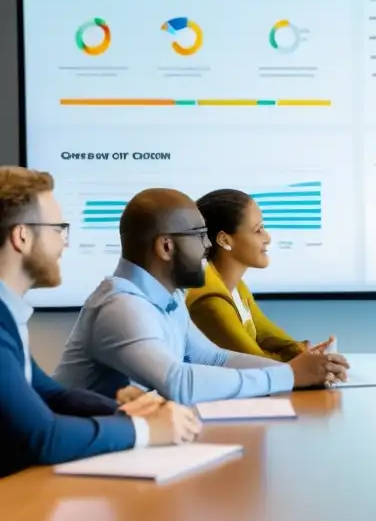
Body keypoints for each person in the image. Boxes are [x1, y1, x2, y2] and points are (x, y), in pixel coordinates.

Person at [53, 188, 349, 405]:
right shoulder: (122, 306)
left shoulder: (169, 299)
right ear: (166, 247)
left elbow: (214, 358)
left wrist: (298, 372)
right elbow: (177, 382)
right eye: (198, 236)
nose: (207, 245)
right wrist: (289, 376)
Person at [0, 168, 200, 478]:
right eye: (58, 229)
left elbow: (51, 395)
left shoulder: (8, 315)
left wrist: (126, 410)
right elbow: (42, 437)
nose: (64, 243)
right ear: (22, 236)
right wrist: (142, 429)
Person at [186, 189, 334, 360]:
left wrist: (307, 353)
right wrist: (308, 363)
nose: (268, 237)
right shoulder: (209, 300)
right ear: (224, 240)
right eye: (258, 230)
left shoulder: (236, 287)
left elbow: (271, 339)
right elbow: (258, 365)